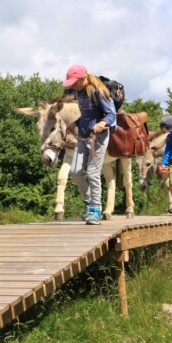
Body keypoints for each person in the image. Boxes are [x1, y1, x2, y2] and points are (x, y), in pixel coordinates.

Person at [63, 65, 117, 225]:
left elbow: (110, 115)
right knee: (75, 170)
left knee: (93, 173)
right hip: (83, 135)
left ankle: (96, 210)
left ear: (82, 78)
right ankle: (90, 202)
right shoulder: (79, 93)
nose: (71, 85)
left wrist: (101, 123)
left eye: (74, 82)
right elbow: (87, 115)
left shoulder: (97, 92)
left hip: (98, 138)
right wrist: (75, 123)